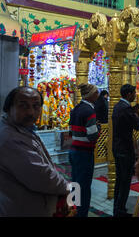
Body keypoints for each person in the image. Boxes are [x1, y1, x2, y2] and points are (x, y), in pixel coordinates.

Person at [0, 87, 71, 216]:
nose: (31, 112)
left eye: (36, 106)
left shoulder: (23, 128)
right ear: (8, 108)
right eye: (23, 106)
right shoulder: (10, 138)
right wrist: (67, 188)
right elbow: (41, 176)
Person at [68, 83, 100, 217]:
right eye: (96, 93)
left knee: (75, 183)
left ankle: (71, 210)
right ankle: (81, 214)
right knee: (84, 187)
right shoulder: (89, 111)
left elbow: (70, 131)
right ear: (91, 95)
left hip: (74, 150)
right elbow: (92, 136)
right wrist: (99, 128)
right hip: (84, 153)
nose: (98, 95)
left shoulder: (76, 108)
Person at [112, 84, 139, 217]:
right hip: (125, 148)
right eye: (134, 93)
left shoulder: (117, 106)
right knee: (125, 180)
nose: (135, 95)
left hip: (117, 146)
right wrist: (138, 115)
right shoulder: (126, 108)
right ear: (129, 94)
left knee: (119, 179)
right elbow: (138, 126)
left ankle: (117, 207)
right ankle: (120, 210)